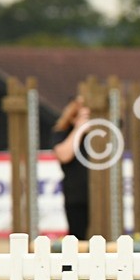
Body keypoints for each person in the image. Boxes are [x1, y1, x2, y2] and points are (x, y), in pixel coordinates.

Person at [52, 95, 91, 239]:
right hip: (76, 196)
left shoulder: (101, 133)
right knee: (78, 237)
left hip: (101, 196)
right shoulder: (63, 132)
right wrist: (79, 130)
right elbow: (64, 155)